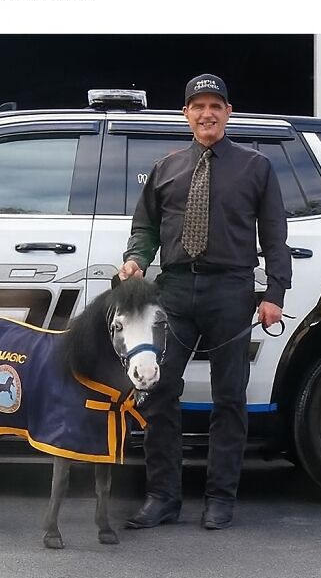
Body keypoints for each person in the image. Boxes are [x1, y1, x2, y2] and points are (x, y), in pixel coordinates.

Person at [118, 73, 292, 530]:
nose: (207, 113)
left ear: (228, 113)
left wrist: (274, 293)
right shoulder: (166, 168)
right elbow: (145, 230)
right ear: (186, 115)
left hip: (231, 291)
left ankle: (220, 498)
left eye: (216, 105)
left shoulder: (256, 167)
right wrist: (136, 259)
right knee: (157, 391)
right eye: (198, 106)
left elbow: (275, 236)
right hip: (174, 290)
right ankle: (162, 497)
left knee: (229, 398)